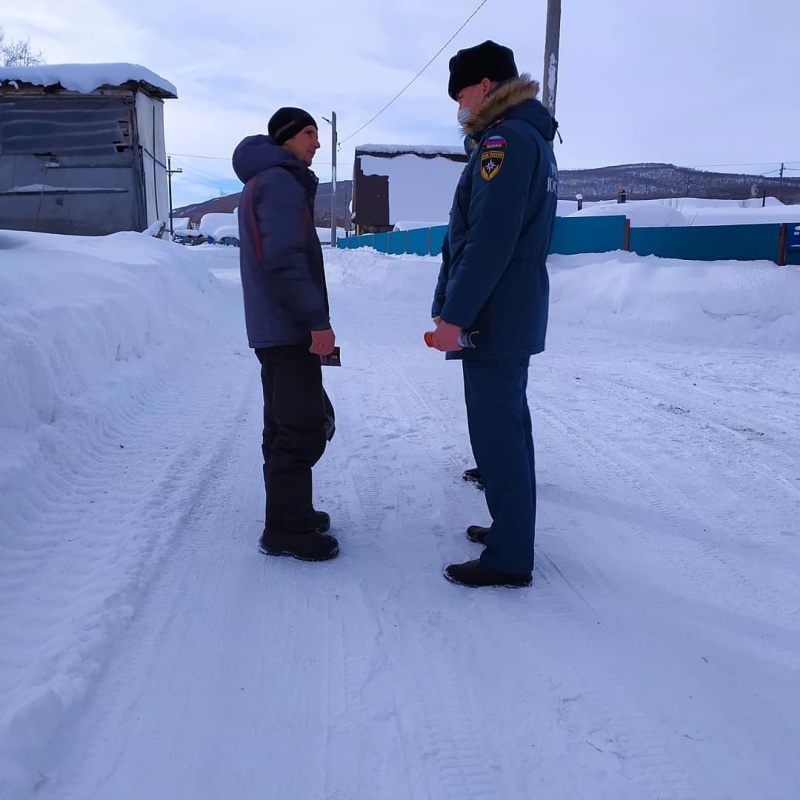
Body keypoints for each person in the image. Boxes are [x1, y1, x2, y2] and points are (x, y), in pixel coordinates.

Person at [430, 40, 559, 588]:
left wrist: (454, 316)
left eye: (461, 92)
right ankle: (511, 530)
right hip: (511, 305)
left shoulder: (503, 142)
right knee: (508, 426)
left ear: (485, 87)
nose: (459, 104)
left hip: (493, 310)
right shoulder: (531, 137)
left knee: (497, 433)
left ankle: (510, 556)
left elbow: (489, 240)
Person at [232, 107, 339, 562]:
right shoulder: (279, 182)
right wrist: (316, 320)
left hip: (275, 326)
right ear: (287, 138)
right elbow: (284, 259)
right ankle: (286, 528)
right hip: (288, 326)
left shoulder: (269, 180)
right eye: (310, 133)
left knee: (283, 423)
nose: (317, 142)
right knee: (302, 426)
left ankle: (290, 511)